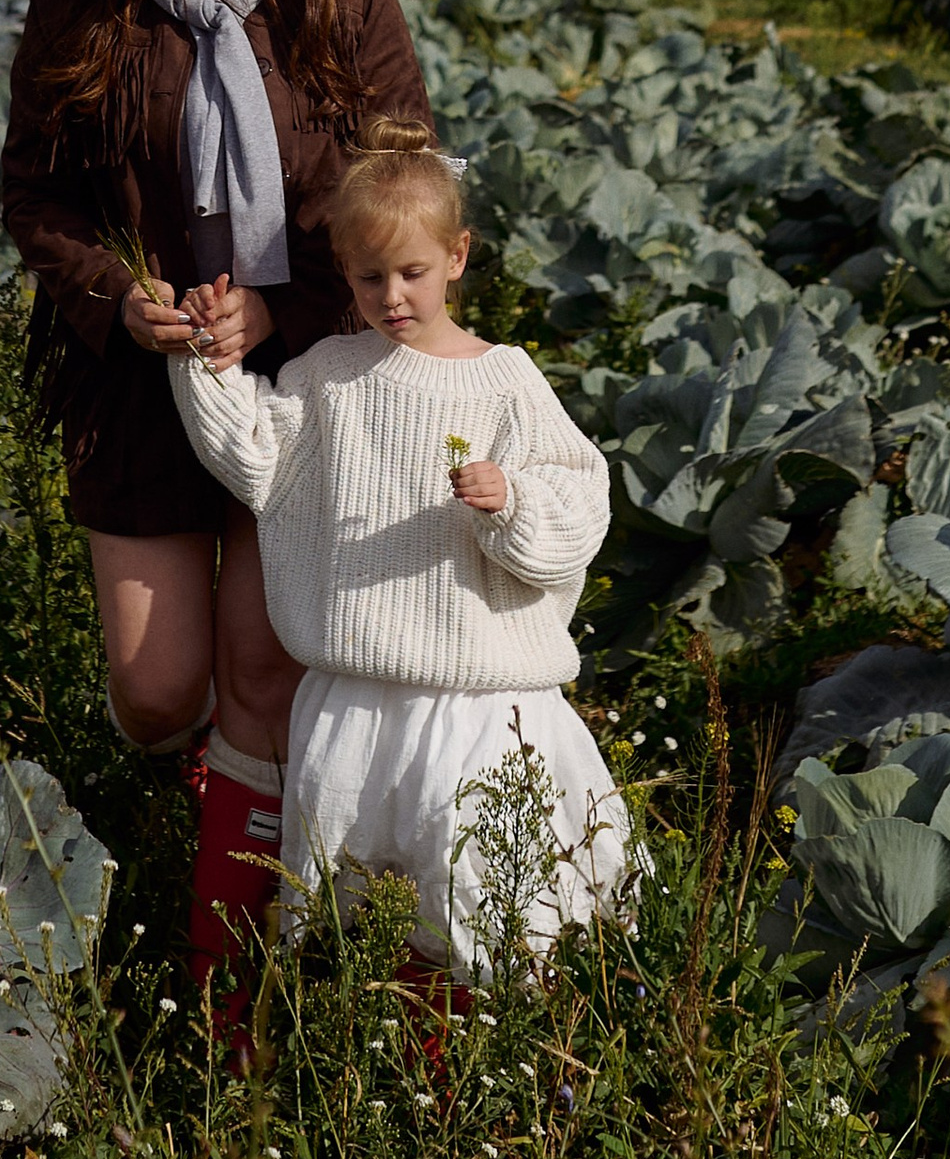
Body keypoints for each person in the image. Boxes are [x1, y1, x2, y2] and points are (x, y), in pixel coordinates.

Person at [1, 0, 433, 1014]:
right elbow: (34, 197)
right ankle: (216, 794)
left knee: (262, 667)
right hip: (140, 384)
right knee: (155, 689)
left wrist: (282, 300)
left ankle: (230, 981)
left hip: (303, 372)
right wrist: (117, 299)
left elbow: (401, 177)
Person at [168, 123, 634, 984]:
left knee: (476, 899)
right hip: (359, 699)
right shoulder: (330, 375)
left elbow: (580, 502)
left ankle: (470, 1070)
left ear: (457, 256)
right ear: (342, 270)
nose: (392, 295)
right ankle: (378, 1058)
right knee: (365, 911)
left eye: (413, 272)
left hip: (481, 703)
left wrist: (513, 501)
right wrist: (204, 358)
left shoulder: (506, 380)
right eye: (368, 275)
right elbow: (257, 456)